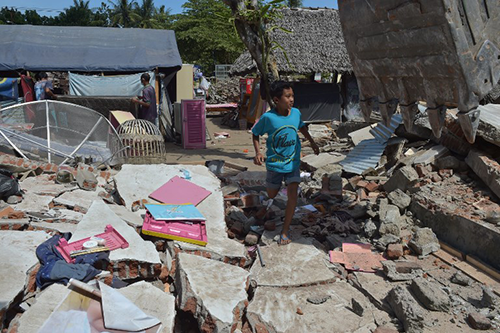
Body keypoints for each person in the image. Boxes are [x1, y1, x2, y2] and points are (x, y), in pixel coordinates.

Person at [252, 81, 319, 245]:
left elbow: (302, 128)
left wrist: (312, 142)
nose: (291, 99)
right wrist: (258, 152)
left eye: (292, 96)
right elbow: (255, 133)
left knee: (293, 196)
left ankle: (284, 231)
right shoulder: (268, 118)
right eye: (287, 96)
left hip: (293, 164)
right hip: (275, 164)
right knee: (272, 194)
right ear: (276, 99)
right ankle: (267, 205)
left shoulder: (295, 113)